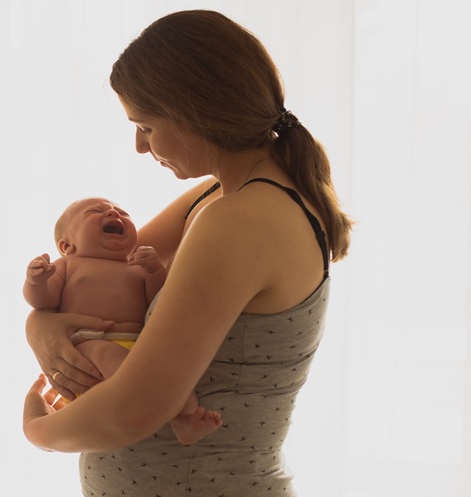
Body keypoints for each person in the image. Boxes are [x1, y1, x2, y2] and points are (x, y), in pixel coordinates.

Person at [22, 9, 353, 497]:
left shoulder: (240, 219)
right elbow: (104, 269)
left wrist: (38, 433)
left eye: (146, 125)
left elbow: (134, 410)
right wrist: (40, 324)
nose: (139, 146)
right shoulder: (219, 195)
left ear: (194, 110)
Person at [23, 196, 223, 446]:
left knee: (174, 370)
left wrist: (154, 272)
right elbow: (43, 301)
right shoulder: (67, 265)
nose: (114, 214)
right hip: (90, 346)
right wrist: (36, 282)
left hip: (137, 345)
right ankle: (139, 394)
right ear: (66, 246)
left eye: (122, 212)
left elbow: (158, 302)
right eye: (96, 211)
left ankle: (184, 419)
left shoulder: (137, 269)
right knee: (111, 355)